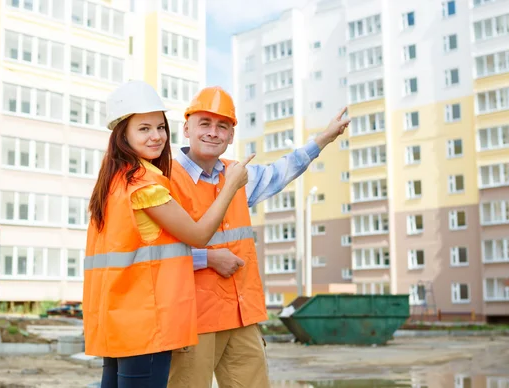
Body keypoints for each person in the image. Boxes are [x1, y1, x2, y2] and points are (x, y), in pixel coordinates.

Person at [167, 86, 351, 388]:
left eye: (222, 126)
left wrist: (325, 138)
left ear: (230, 137)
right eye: (205, 124)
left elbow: (282, 171)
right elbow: (152, 253)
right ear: (186, 128)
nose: (213, 133)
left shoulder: (237, 175)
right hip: (193, 318)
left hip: (241, 315)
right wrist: (208, 258)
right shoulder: (167, 178)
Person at [82, 81, 253, 388]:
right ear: (123, 134)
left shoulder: (113, 182)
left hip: (118, 318)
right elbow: (199, 235)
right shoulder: (144, 185)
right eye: (144, 129)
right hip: (147, 322)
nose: (157, 136)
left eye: (160, 127)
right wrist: (231, 185)